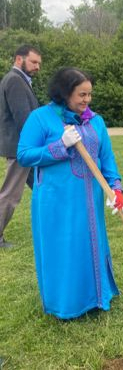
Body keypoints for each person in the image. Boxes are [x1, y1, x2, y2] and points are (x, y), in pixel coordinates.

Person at [17, 67, 123, 319]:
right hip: (56, 200)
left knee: (90, 243)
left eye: (89, 94)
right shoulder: (41, 118)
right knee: (65, 247)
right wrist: (59, 146)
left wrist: (116, 188)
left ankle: (97, 296)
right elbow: (24, 155)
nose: (86, 100)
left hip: (90, 198)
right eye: (81, 95)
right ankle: (67, 304)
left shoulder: (95, 120)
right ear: (64, 93)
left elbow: (106, 158)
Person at [0, 45, 42, 248]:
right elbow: (23, 119)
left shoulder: (19, 80)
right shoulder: (15, 80)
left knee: (43, 185)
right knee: (10, 194)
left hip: (25, 148)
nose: (37, 67)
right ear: (19, 59)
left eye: (39, 63)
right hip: (21, 149)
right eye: (34, 62)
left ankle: (54, 220)